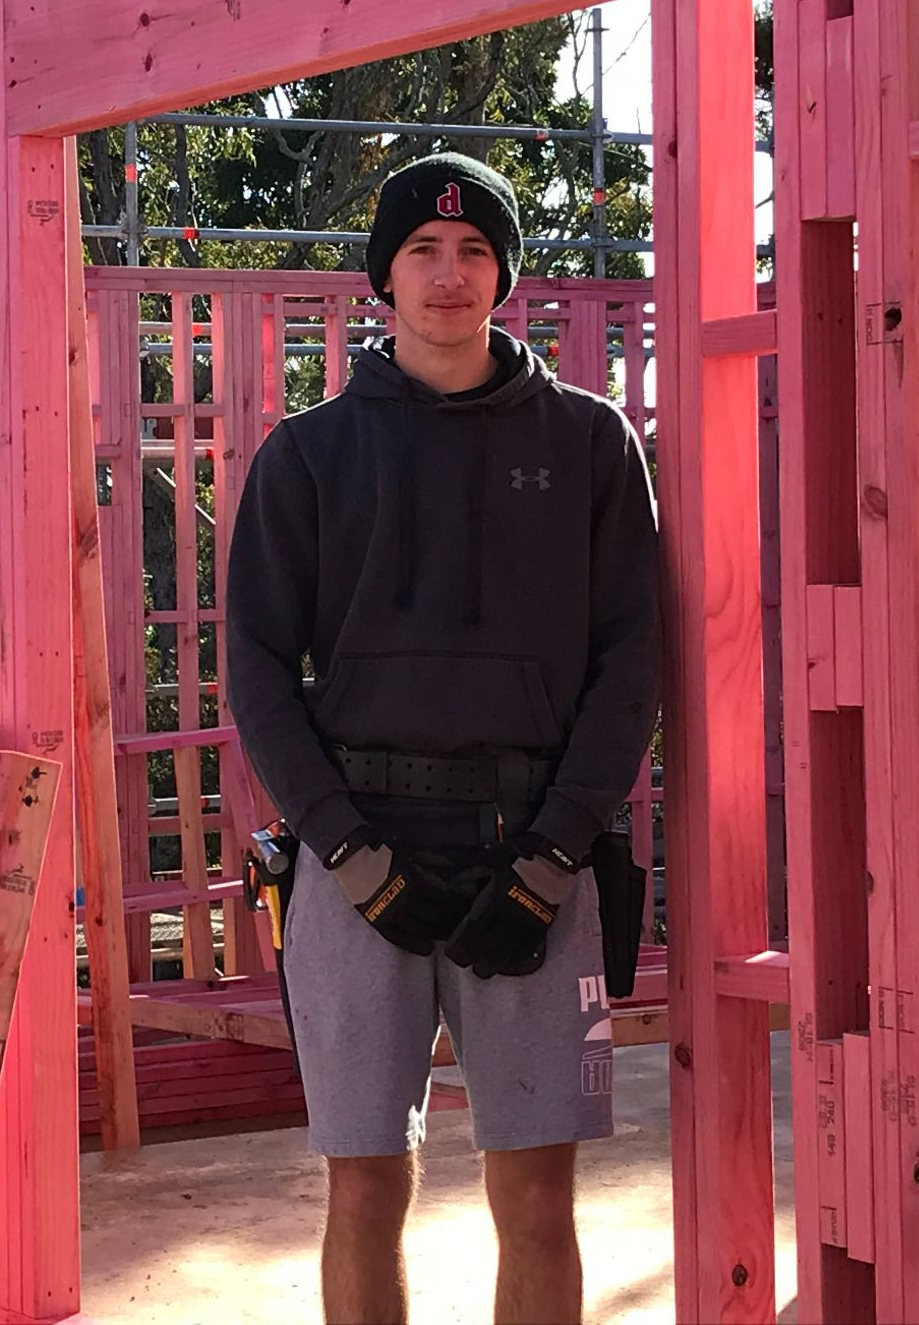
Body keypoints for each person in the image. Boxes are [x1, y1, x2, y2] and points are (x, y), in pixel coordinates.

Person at [226, 153, 661, 1325]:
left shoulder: (588, 442)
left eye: (473, 251)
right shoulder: (307, 456)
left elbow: (633, 663)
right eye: (422, 249)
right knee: (362, 1186)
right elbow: (256, 670)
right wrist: (346, 852)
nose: (448, 273)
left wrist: (552, 855)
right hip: (353, 855)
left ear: (505, 274)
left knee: (535, 1197)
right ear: (382, 274)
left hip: (535, 858)